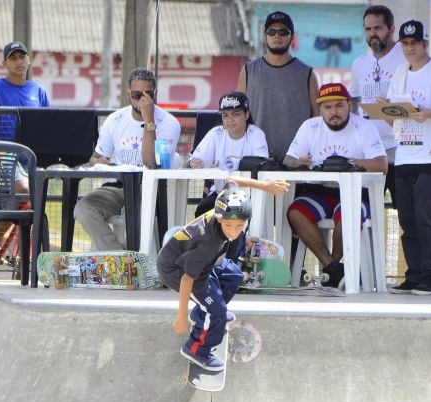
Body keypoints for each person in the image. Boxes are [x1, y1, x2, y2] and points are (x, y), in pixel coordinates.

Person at [380, 20, 431, 295]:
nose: (410, 48)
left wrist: (427, 113)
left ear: (426, 43)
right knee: (407, 220)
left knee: (426, 218)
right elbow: (395, 115)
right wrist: (386, 108)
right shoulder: (400, 73)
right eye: (405, 43)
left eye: (415, 43)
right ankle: (414, 274)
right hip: (404, 153)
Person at [283, 82, 388, 287]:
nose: (334, 112)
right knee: (295, 212)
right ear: (320, 109)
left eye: (339, 105)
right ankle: (334, 268)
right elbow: (288, 161)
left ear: (349, 105)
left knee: (348, 215)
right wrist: (299, 162)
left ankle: (333, 269)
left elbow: (382, 165)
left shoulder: (364, 127)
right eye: (327, 107)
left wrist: (348, 163)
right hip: (316, 192)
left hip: (355, 193)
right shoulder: (309, 126)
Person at [74, 68, 181, 250]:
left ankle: (121, 260)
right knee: (83, 209)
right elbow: (97, 156)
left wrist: (149, 122)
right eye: (137, 95)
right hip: (117, 187)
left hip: (148, 190)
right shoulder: (115, 120)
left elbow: (150, 162)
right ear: (128, 94)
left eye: (148, 95)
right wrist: (98, 162)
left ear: (155, 94)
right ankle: (119, 257)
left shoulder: (169, 123)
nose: (143, 100)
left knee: (133, 213)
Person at [158, 187, 252, 371]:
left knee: (234, 275)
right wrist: (181, 316)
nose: (233, 231)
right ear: (219, 219)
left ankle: (202, 311)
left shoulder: (223, 207)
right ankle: (197, 349)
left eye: (240, 226)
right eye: (228, 226)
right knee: (217, 312)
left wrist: (264, 186)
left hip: (200, 264)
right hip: (177, 270)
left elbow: (232, 181)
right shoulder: (206, 244)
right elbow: (186, 280)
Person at [0, 41, 49, 242]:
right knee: (23, 192)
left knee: (31, 205)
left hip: (32, 157)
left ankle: (22, 257)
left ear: (29, 60)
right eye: (13, 58)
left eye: (22, 57)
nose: (19, 61)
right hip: (3, 155)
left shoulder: (39, 91)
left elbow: (48, 125)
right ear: (5, 63)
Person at [188, 91, 288, 216]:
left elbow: (262, 164)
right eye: (225, 115)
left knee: (233, 212)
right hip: (220, 193)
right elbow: (195, 162)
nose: (230, 120)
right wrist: (193, 163)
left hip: (250, 194)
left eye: (236, 114)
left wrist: (232, 163)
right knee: (202, 211)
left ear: (246, 115)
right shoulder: (215, 133)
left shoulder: (256, 134)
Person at [236, 11, 319, 162]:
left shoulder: (307, 74)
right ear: (265, 35)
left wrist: (307, 148)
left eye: (283, 32)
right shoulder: (249, 71)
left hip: (297, 159)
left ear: (292, 36)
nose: (277, 36)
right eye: (272, 31)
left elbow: (317, 116)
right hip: (257, 157)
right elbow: (238, 113)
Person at [349, 4, 405, 207]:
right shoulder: (359, 63)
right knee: (364, 215)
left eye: (378, 28)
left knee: (408, 219)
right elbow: (353, 99)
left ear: (391, 29)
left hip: (401, 151)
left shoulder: (406, 57)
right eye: (368, 29)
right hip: (370, 153)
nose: (373, 33)